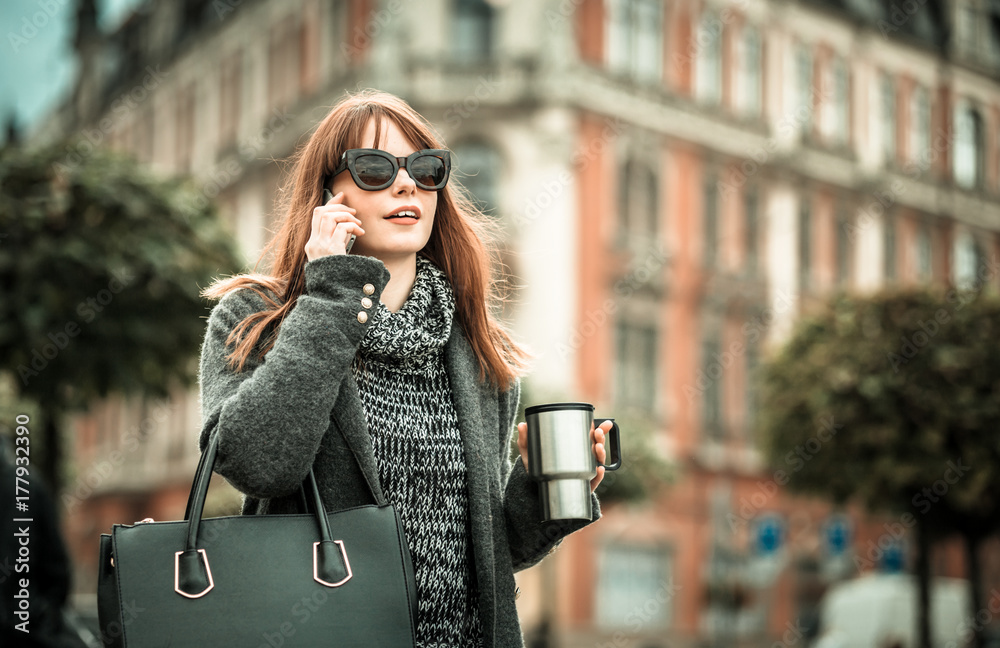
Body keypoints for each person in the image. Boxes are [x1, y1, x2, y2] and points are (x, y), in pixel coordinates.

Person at [197, 88, 610, 648]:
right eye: (373, 168)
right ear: (328, 195)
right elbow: (259, 464)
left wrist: (547, 489)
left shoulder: (479, 349)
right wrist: (332, 291)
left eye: (425, 168)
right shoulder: (256, 318)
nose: (406, 183)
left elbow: (491, 553)